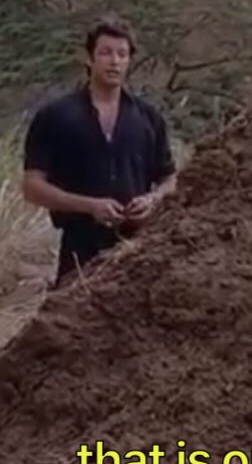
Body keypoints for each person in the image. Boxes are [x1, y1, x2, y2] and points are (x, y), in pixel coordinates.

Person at [22, 16, 177, 287]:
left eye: (122, 54)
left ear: (130, 61)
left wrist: (153, 200)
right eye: (105, 53)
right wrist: (89, 206)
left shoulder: (149, 119)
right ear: (89, 58)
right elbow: (32, 187)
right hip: (79, 250)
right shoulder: (55, 117)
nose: (114, 61)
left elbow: (170, 179)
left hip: (137, 250)